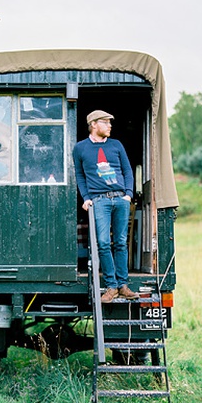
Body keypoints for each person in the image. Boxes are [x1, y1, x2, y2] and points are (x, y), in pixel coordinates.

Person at [73, 110, 138, 303]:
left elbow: (127, 170)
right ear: (94, 124)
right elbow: (79, 175)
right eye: (106, 122)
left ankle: (123, 285)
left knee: (120, 242)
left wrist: (128, 194)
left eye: (110, 123)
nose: (110, 126)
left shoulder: (116, 145)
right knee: (102, 243)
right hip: (99, 200)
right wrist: (86, 197)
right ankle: (111, 287)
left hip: (120, 199)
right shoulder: (80, 148)